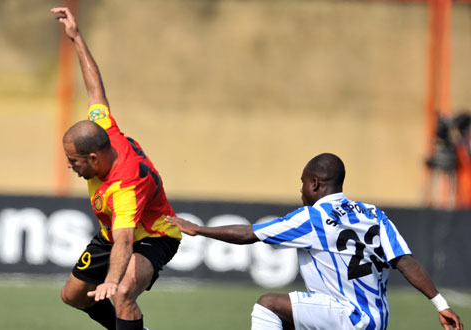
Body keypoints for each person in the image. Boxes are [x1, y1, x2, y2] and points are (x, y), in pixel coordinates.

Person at [166, 153, 464, 330]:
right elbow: (405, 262)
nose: (301, 190)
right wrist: (440, 305)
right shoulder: (373, 214)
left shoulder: (313, 217)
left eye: (302, 182)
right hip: (377, 320)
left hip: (346, 316)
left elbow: (248, 234)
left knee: (267, 306)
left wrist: (198, 230)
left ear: (315, 184)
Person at [51, 7, 182, 330]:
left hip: (154, 234)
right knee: (73, 296)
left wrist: (112, 280)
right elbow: (96, 89)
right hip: (115, 233)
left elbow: (125, 242)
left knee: (122, 294)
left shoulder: (123, 185)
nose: (71, 167)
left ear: (94, 159)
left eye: (74, 162)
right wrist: (77, 38)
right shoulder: (105, 130)